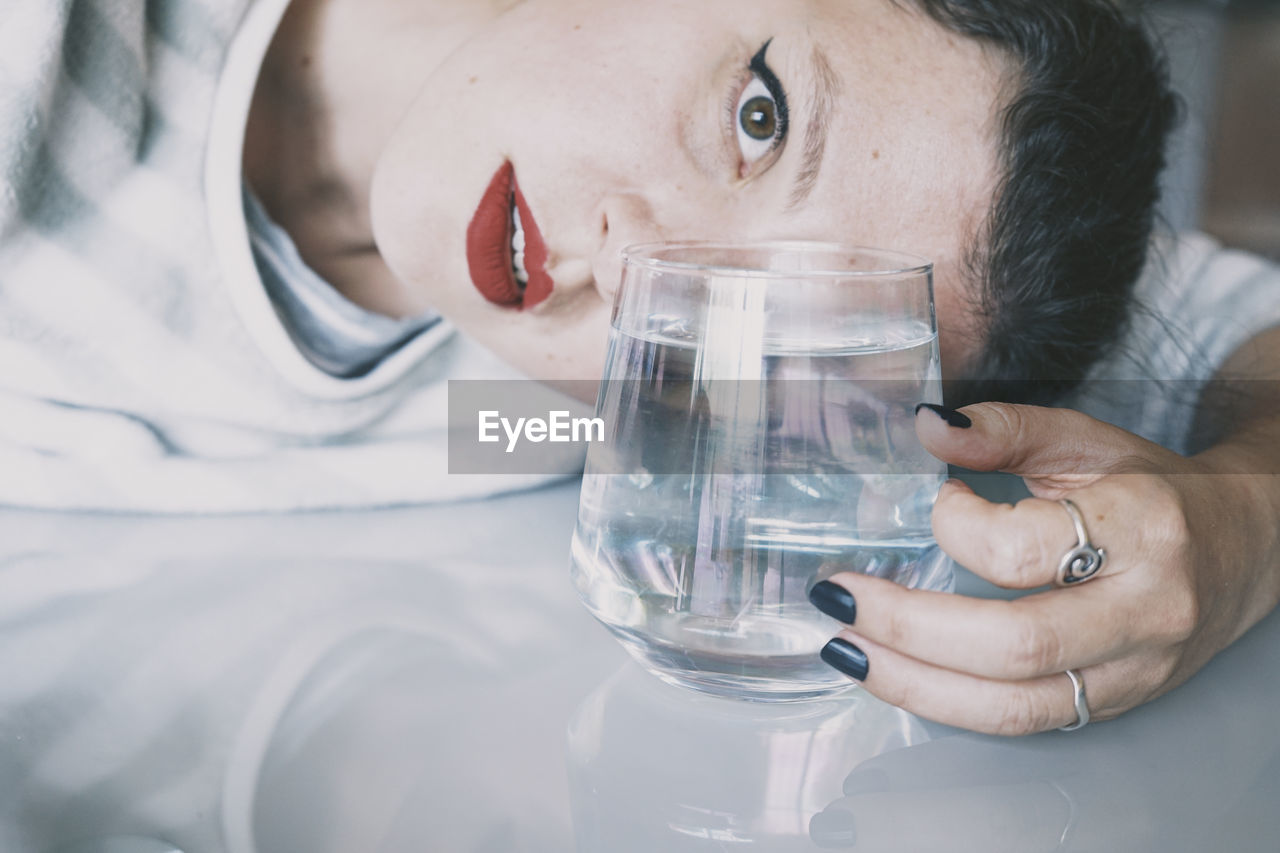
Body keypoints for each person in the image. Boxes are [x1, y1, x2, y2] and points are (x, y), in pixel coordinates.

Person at [1, 0, 1277, 734]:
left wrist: (1248, 519)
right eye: (760, 117)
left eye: (776, 331)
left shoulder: (561, 416)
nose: (637, 273)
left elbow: (1228, 320)